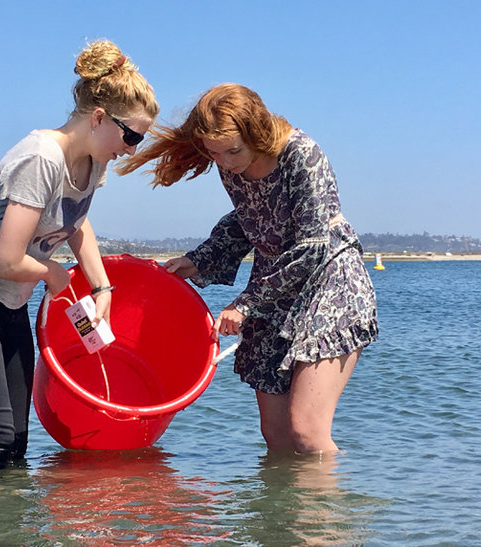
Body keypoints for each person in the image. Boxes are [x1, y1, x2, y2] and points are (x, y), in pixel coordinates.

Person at [0, 40, 158, 474]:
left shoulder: (93, 161)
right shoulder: (41, 158)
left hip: (9, 300)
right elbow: (4, 259)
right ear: (99, 117)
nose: (132, 149)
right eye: (131, 136)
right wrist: (54, 274)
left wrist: (102, 285)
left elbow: (77, 223)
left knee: (15, 442)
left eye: (140, 140)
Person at [117, 83, 377, 455]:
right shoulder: (230, 168)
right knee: (275, 433)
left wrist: (245, 304)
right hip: (275, 286)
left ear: (256, 131)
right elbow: (247, 220)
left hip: (327, 280)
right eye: (214, 153)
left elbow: (311, 247)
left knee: (305, 432)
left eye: (232, 151)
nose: (224, 162)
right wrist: (199, 259)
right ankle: (282, 515)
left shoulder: (301, 154)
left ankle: (327, 513)